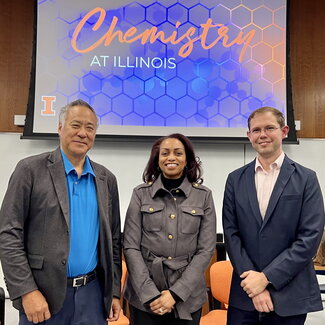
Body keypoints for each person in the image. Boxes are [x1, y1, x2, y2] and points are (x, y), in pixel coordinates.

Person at [0, 99, 122, 324]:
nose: (82, 133)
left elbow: (113, 241)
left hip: (92, 297)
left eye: (89, 128)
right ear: (60, 127)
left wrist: (114, 292)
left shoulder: (106, 179)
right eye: (75, 125)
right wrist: (27, 291)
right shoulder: (29, 170)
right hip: (42, 297)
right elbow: (8, 235)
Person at [222, 106, 325, 325]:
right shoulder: (235, 180)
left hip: (289, 295)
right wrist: (255, 285)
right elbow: (232, 235)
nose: (263, 135)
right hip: (245, 295)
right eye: (256, 130)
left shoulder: (306, 179)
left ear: (284, 131)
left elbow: (309, 238)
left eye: (270, 128)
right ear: (249, 135)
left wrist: (266, 279)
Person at [123, 133, 216, 325]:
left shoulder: (203, 196)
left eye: (178, 153)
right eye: (165, 153)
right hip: (145, 299)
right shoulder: (140, 194)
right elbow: (131, 247)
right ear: (157, 161)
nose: (171, 158)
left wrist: (175, 293)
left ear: (187, 160)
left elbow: (205, 250)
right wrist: (150, 294)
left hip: (188, 298)